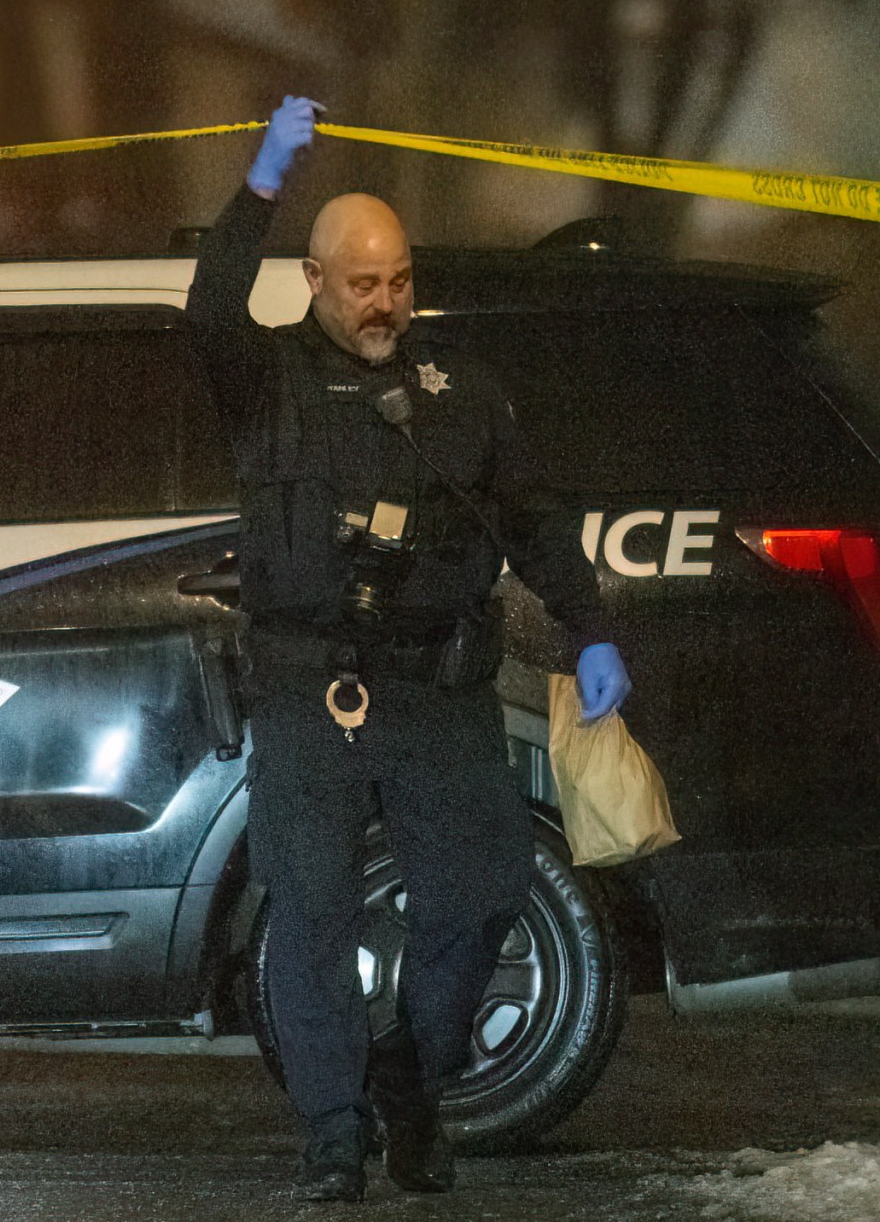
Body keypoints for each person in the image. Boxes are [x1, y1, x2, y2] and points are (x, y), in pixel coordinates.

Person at [186, 96, 629, 1202]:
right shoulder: (267, 381)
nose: (384, 304)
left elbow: (529, 524)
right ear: (316, 284)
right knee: (312, 914)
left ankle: (409, 1075)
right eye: (361, 284)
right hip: (307, 687)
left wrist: (593, 631)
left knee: (480, 895)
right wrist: (263, 179)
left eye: (398, 281)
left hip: (438, 687)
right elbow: (205, 306)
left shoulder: (459, 391)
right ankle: (333, 1132)